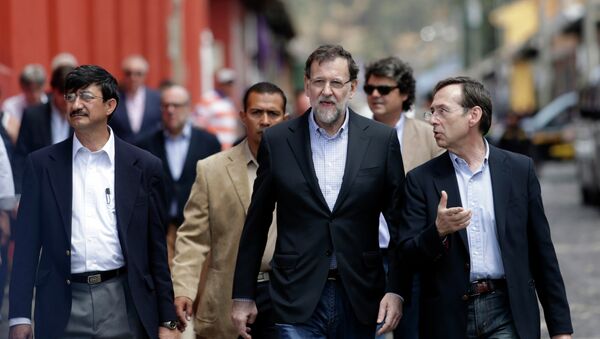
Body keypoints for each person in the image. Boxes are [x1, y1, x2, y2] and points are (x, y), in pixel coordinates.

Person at [231, 44, 406, 339]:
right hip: (295, 296)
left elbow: (400, 223)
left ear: (352, 89)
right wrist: (243, 294)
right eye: (319, 82)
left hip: (361, 296)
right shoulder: (277, 140)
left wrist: (396, 290)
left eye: (336, 83)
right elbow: (257, 222)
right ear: (307, 86)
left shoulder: (381, 140)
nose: (327, 91)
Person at [8, 65, 179, 339]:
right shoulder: (41, 165)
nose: (76, 105)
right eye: (71, 97)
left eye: (86, 97)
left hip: (123, 300)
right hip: (61, 302)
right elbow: (27, 244)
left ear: (110, 105)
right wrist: (19, 316)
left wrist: (167, 320)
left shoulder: (144, 166)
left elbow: (155, 249)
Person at [399, 76, 573, 339]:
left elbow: (542, 253)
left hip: (508, 310)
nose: (433, 119)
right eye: (431, 111)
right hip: (449, 318)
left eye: (442, 111)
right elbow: (406, 256)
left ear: (474, 115)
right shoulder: (420, 180)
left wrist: (561, 330)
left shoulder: (518, 170)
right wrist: (438, 232)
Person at [172, 82, 288, 338]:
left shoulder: (300, 169)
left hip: (285, 298)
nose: (265, 121)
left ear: (285, 119)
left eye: (273, 114)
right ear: (242, 116)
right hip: (226, 297)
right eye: (257, 112)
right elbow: (192, 238)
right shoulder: (212, 169)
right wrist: (184, 289)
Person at [364, 56, 443, 339]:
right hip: (366, 258)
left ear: (404, 93)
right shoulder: (354, 136)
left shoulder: (429, 137)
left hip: (413, 256)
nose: (374, 95)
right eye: (369, 89)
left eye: (383, 89)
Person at [137, 84, 221, 264]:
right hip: (160, 228)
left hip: (197, 227)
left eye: (176, 105)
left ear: (189, 107)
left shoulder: (209, 142)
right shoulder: (145, 144)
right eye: (166, 106)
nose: (170, 110)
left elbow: (217, 186)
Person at [13, 65, 74, 193]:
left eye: (71, 96)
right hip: (40, 185)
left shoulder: (82, 115)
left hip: (73, 185)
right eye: (63, 95)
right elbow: (21, 156)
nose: (67, 101)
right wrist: (19, 194)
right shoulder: (33, 115)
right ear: (54, 90)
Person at [110, 55, 162, 143]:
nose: (133, 78)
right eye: (128, 73)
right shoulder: (113, 98)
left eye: (138, 74)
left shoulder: (157, 98)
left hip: (149, 152)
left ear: (145, 75)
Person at [1, 64, 48, 144]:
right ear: (22, 87)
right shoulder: (10, 106)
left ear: (44, 86)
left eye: (37, 89)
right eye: (30, 90)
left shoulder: (51, 105)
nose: (34, 95)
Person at [194, 68, 240, 149]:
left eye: (231, 83)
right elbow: (198, 125)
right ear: (219, 84)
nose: (230, 86)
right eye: (226, 83)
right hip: (214, 148)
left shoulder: (229, 102)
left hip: (228, 148)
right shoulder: (208, 98)